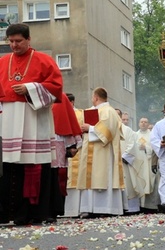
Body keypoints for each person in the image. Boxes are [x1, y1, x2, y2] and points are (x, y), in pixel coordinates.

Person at [0, 23, 63, 225]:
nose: (14, 45)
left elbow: (56, 88)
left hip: (34, 118)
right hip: (9, 118)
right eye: (10, 41)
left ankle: (39, 212)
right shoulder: (2, 62)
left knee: (36, 164)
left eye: (18, 41)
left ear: (28, 39)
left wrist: (30, 88)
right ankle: (9, 213)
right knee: (9, 166)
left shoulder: (45, 60)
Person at [68, 87, 125, 218]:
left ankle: (104, 208)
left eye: (92, 97)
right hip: (91, 150)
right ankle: (90, 208)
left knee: (102, 177)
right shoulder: (93, 111)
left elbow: (109, 131)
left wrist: (91, 128)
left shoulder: (108, 111)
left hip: (103, 152)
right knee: (91, 178)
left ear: (96, 97)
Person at [49, 93, 83, 223]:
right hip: (45, 140)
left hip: (58, 141)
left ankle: (55, 210)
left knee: (57, 177)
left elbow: (67, 122)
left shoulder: (61, 97)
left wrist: (72, 145)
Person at [117, 110, 143, 215]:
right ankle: (117, 207)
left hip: (124, 162)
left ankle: (130, 207)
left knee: (128, 184)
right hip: (112, 163)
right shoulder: (109, 129)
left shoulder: (127, 130)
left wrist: (124, 156)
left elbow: (132, 145)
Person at [136, 117, 160, 212]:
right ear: (139, 123)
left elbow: (155, 148)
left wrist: (146, 147)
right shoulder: (135, 135)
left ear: (148, 123)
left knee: (150, 183)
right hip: (138, 164)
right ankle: (139, 205)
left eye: (145, 122)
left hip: (149, 163)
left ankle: (150, 206)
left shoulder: (152, 135)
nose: (143, 124)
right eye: (141, 122)